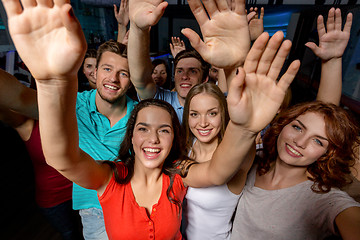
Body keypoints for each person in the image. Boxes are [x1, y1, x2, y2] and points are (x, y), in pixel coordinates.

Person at [2, 0, 300, 239]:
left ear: (176, 138)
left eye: (165, 130)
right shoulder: (111, 179)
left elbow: (219, 171)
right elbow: (63, 158)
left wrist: (245, 127)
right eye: (143, 128)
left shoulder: (178, 174)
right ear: (130, 136)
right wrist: (54, 81)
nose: (153, 138)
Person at [0, 31, 136, 240]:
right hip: (94, 212)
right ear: (95, 72)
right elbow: (19, 98)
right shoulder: (74, 105)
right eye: (107, 69)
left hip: (132, 205)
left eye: (123, 73)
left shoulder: (141, 114)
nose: (113, 79)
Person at [230, 101, 360, 240]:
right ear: (284, 124)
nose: (300, 142)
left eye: (317, 141)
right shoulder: (253, 161)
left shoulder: (324, 199)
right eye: (298, 128)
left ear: (327, 154)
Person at [0, 70, 83, 240]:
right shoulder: (27, 123)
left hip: (85, 191)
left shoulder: (78, 112)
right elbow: (8, 102)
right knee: (70, 236)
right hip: (54, 200)